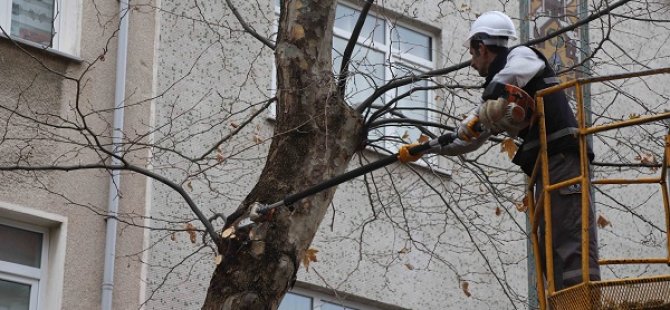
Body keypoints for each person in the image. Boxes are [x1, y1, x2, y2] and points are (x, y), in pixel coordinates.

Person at [399, 11, 600, 291]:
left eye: (473, 53)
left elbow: (510, 80)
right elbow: (466, 140)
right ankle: (562, 300)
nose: (472, 63)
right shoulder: (500, 94)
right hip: (547, 167)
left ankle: (582, 302)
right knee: (551, 247)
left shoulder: (523, 56)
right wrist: (424, 149)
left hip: (564, 160)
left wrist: (484, 108)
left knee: (570, 240)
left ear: (482, 47)